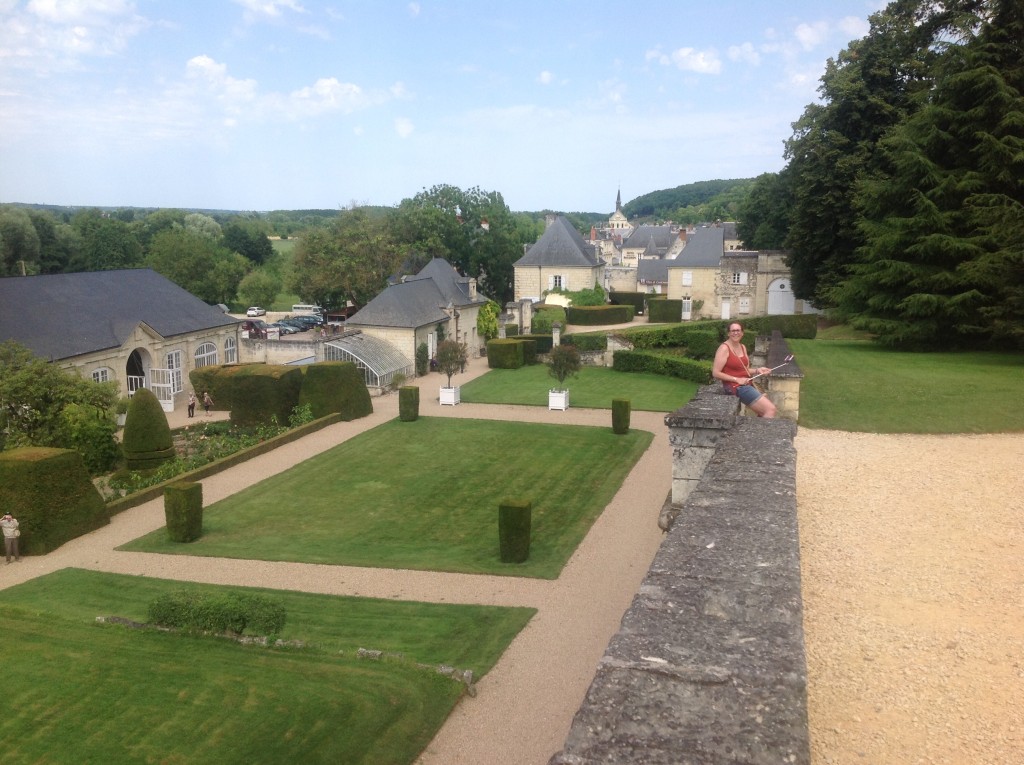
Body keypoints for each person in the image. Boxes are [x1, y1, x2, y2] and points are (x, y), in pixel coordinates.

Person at [712, 322, 777, 418]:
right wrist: (736, 379)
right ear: (728, 333)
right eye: (733, 331)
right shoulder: (724, 348)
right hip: (735, 386)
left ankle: (758, 427)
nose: (735, 333)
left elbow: (744, 370)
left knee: (764, 406)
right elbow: (715, 373)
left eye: (738, 330)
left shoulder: (742, 347)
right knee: (770, 409)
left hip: (746, 384)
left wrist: (758, 370)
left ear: (742, 333)